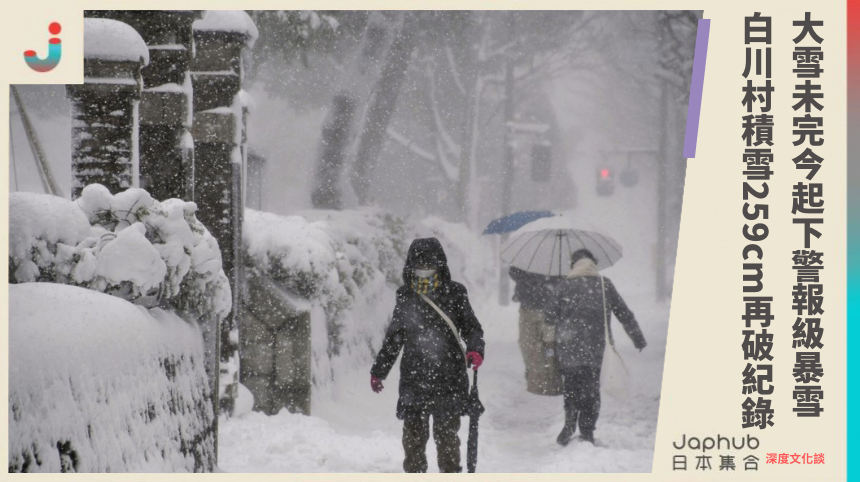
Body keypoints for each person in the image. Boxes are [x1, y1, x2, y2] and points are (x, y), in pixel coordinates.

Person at [370, 237, 485, 473]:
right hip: (415, 379)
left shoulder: (455, 292)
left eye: (429, 264)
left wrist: (475, 349)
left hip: (449, 378)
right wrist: (379, 371)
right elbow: (395, 337)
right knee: (413, 442)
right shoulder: (405, 295)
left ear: (440, 264)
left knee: (447, 440)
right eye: (419, 264)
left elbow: (471, 327)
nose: (424, 269)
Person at [546, 249, 647, 446]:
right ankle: (587, 432)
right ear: (593, 263)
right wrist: (638, 338)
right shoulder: (603, 284)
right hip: (595, 349)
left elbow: (549, 317)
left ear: (573, 264)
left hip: (567, 348)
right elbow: (624, 313)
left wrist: (552, 342)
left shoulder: (564, 285)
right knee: (591, 391)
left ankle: (569, 423)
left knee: (572, 388)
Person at [509, 266, 564, 395]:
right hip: (527, 307)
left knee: (550, 345)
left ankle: (551, 379)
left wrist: (549, 281)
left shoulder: (558, 256)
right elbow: (514, 272)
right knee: (526, 343)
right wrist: (531, 279)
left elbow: (564, 278)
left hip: (551, 308)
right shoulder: (529, 255)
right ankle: (533, 372)